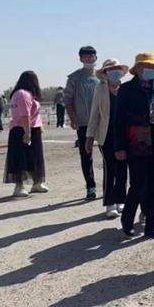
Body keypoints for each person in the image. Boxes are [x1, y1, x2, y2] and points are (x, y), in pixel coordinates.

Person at [115, 53, 154, 239]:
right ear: (138, 69)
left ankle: (152, 226)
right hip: (136, 140)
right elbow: (118, 120)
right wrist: (119, 147)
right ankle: (127, 219)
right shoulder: (126, 89)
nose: (152, 71)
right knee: (138, 183)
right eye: (149, 67)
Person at [86, 59, 129, 219]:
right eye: (110, 69)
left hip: (124, 135)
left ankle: (121, 199)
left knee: (122, 169)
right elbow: (94, 114)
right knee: (110, 168)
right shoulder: (100, 89)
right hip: (106, 135)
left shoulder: (126, 89)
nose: (114, 72)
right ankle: (110, 203)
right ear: (105, 73)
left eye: (116, 69)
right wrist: (89, 137)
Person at [65, 46, 101, 200]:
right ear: (80, 59)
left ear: (96, 58)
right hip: (83, 122)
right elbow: (67, 100)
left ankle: (110, 186)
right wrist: (73, 118)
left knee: (108, 154)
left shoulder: (101, 76)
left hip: (102, 122)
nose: (89, 59)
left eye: (92, 56)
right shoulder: (74, 78)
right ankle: (90, 186)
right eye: (86, 56)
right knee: (86, 155)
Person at [4, 71, 48, 197]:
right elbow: (25, 114)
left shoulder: (25, 94)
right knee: (20, 158)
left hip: (33, 128)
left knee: (34, 158)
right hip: (22, 128)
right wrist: (27, 132)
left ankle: (37, 183)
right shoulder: (23, 94)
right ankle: (19, 186)